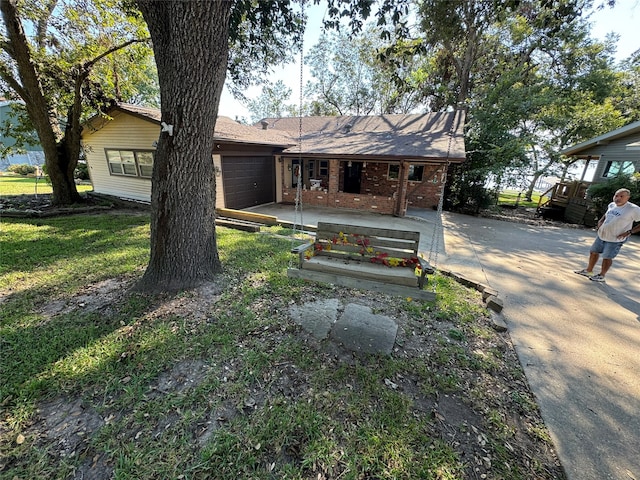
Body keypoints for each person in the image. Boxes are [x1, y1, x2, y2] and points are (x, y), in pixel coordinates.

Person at [575, 188, 640, 282]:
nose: (618, 198)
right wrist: (601, 221)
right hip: (602, 235)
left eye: (621, 196)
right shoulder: (612, 205)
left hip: (615, 239)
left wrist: (630, 232)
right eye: (616, 195)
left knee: (607, 257)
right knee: (593, 252)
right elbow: (606, 215)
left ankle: (602, 275)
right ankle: (589, 271)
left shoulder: (633, 209)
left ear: (628, 198)